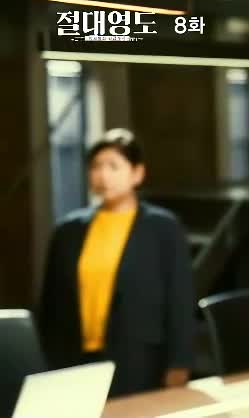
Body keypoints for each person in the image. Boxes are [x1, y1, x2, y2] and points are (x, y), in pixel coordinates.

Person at [37, 128, 195, 397]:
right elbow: (50, 304)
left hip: (139, 359)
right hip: (74, 357)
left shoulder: (162, 228)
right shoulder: (68, 230)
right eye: (96, 166)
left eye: (113, 166)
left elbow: (179, 298)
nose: (103, 175)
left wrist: (179, 361)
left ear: (137, 173)